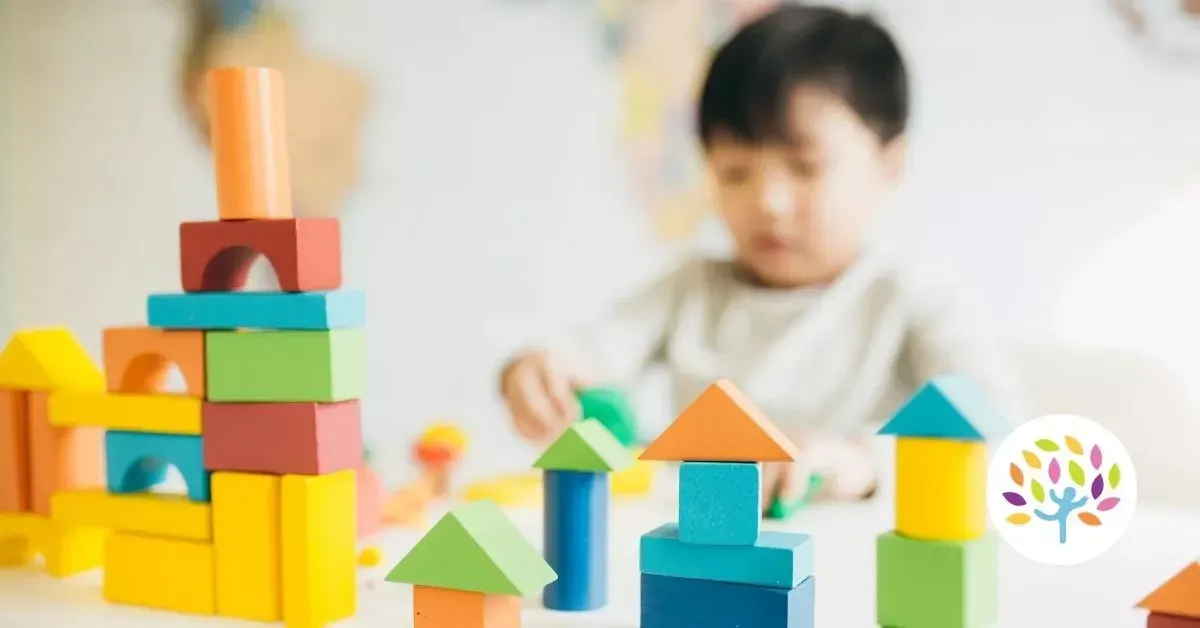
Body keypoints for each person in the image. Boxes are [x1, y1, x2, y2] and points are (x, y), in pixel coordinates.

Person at [498, 5, 1021, 509]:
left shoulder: (911, 298)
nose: (767, 203)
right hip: (705, 558)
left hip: (859, 570)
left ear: (890, 164)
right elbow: (591, 350)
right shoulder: (691, 288)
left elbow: (997, 433)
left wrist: (859, 463)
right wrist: (540, 371)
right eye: (735, 173)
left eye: (805, 167)